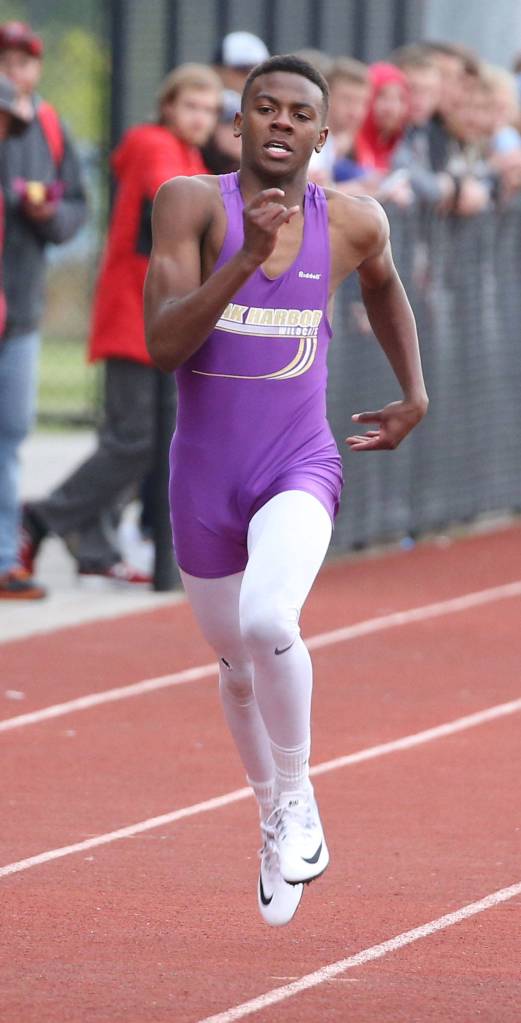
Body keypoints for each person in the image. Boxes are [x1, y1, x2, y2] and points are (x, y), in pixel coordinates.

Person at [144, 54, 428, 927]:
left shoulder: (353, 221)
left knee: (272, 620)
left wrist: (413, 390)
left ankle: (298, 796)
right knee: (234, 668)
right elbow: (163, 345)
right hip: (203, 481)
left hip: (299, 464)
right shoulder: (191, 205)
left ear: (320, 133)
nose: (278, 122)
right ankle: (270, 812)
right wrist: (245, 261)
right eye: (261, 108)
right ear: (238, 125)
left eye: (296, 112)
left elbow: (384, 286)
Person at [20, 63, 221, 586]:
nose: (201, 118)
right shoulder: (154, 144)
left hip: (161, 318)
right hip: (135, 317)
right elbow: (174, 201)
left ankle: (94, 545)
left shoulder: (190, 154)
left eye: (209, 110)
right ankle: (42, 516)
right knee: (136, 440)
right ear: (168, 107)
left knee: (146, 439)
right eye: (191, 107)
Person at [0, 21, 87, 599]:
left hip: (21, 307)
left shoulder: (50, 126)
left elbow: (74, 206)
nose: (14, 70)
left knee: (10, 433)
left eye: (23, 61)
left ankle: (6, 556)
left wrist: (45, 213)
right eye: (4, 60)